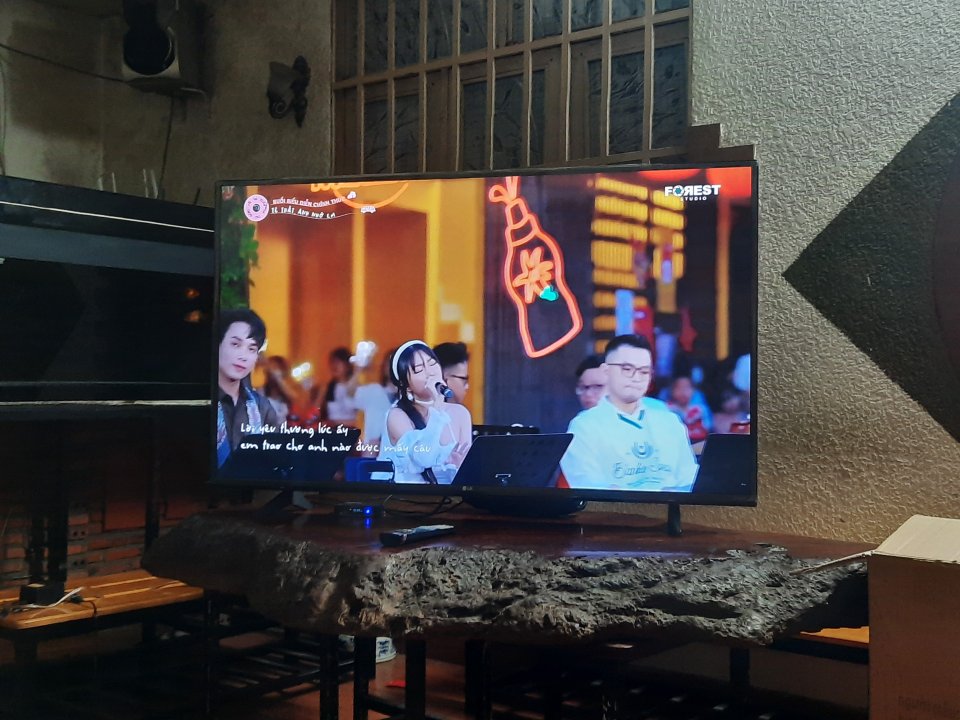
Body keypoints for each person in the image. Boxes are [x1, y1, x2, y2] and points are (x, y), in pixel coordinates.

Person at [560, 334, 698, 492]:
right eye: (627, 369)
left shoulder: (670, 421)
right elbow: (590, 489)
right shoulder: (584, 427)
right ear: (606, 371)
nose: (636, 378)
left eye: (644, 371)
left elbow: (690, 481)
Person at [377, 340, 472, 484]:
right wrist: (437, 410)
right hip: (409, 495)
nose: (430, 372)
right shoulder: (397, 415)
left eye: (432, 364)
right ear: (405, 385)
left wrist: (458, 467)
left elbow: (467, 467)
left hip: (450, 494)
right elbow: (424, 458)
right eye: (419, 369)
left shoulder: (461, 413)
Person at [216, 308, 279, 467]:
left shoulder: (262, 407)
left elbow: (276, 460)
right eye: (235, 344)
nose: (243, 356)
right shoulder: (200, 401)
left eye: (251, 349)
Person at [347, 347, 399, 455]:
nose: (392, 368)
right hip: (373, 451)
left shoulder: (412, 395)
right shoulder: (374, 391)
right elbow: (350, 391)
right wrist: (359, 370)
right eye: (389, 363)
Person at [665, 375, 713, 444]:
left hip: (699, 444)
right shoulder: (666, 409)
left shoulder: (701, 410)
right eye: (679, 388)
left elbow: (708, 429)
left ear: (693, 390)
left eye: (687, 388)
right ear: (672, 391)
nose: (683, 392)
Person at [319, 346, 358, 423]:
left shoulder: (355, 386)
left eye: (338, 362)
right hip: (331, 428)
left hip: (351, 428)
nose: (335, 366)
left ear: (347, 365)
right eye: (333, 362)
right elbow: (316, 411)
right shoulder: (327, 387)